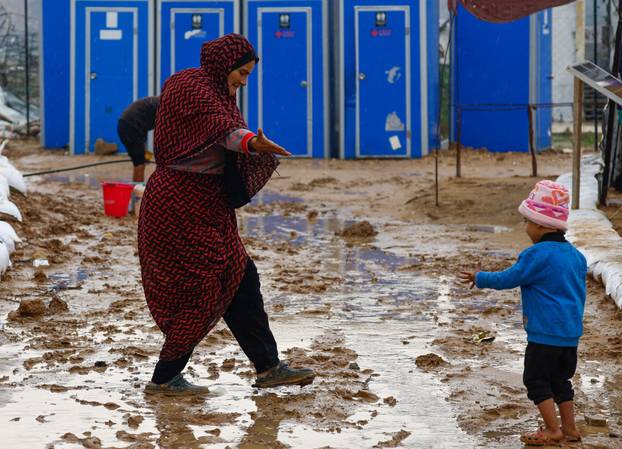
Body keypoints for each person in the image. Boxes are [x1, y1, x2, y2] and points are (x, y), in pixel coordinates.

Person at [138, 33, 315, 395]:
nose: (243, 82)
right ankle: (164, 376)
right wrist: (252, 142)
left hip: (208, 206)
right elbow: (226, 132)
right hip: (177, 207)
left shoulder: (219, 95)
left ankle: (268, 367)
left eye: (248, 75)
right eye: (242, 73)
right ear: (225, 65)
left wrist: (249, 141)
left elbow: (224, 129)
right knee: (202, 289)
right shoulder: (191, 88)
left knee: (240, 277)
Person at [459, 180, 586, 446]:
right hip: (569, 336)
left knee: (536, 380)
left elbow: (509, 278)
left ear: (541, 224)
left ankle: (553, 430)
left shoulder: (536, 255)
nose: (525, 227)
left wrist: (480, 277)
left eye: (527, 221)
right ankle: (570, 429)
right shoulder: (576, 255)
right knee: (561, 381)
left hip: (544, 335)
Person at [117, 96, 159, 182]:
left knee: (139, 161)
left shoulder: (156, 104)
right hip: (130, 126)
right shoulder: (165, 106)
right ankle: (137, 193)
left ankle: (136, 190)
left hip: (127, 125)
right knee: (139, 163)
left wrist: (144, 152)